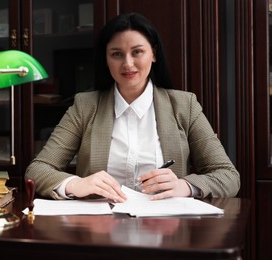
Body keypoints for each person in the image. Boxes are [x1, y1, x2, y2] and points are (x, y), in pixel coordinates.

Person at [25, 12, 240, 202]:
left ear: (153, 54)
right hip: (99, 231)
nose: (127, 64)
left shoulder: (184, 105)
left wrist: (185, 186)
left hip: (166, 232)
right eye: (117, 54)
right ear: (106, 59)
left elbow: (227, 176)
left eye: (137, 52)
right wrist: (75, 185)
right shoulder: (85, 106)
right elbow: (37, 170)